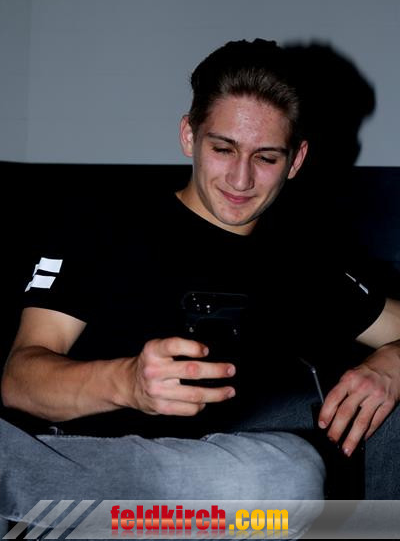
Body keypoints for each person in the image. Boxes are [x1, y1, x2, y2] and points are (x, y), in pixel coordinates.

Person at [0, 38, 399, 531]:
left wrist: (394, 363)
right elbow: (19, 379)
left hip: (230, 499)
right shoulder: (102, 225)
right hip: (91, 478)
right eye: (223, 149)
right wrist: (126, 383)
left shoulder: (307, 262)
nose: (240, 179)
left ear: (296, 161)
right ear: (189, 136)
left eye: (266, 158)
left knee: (292, 472)